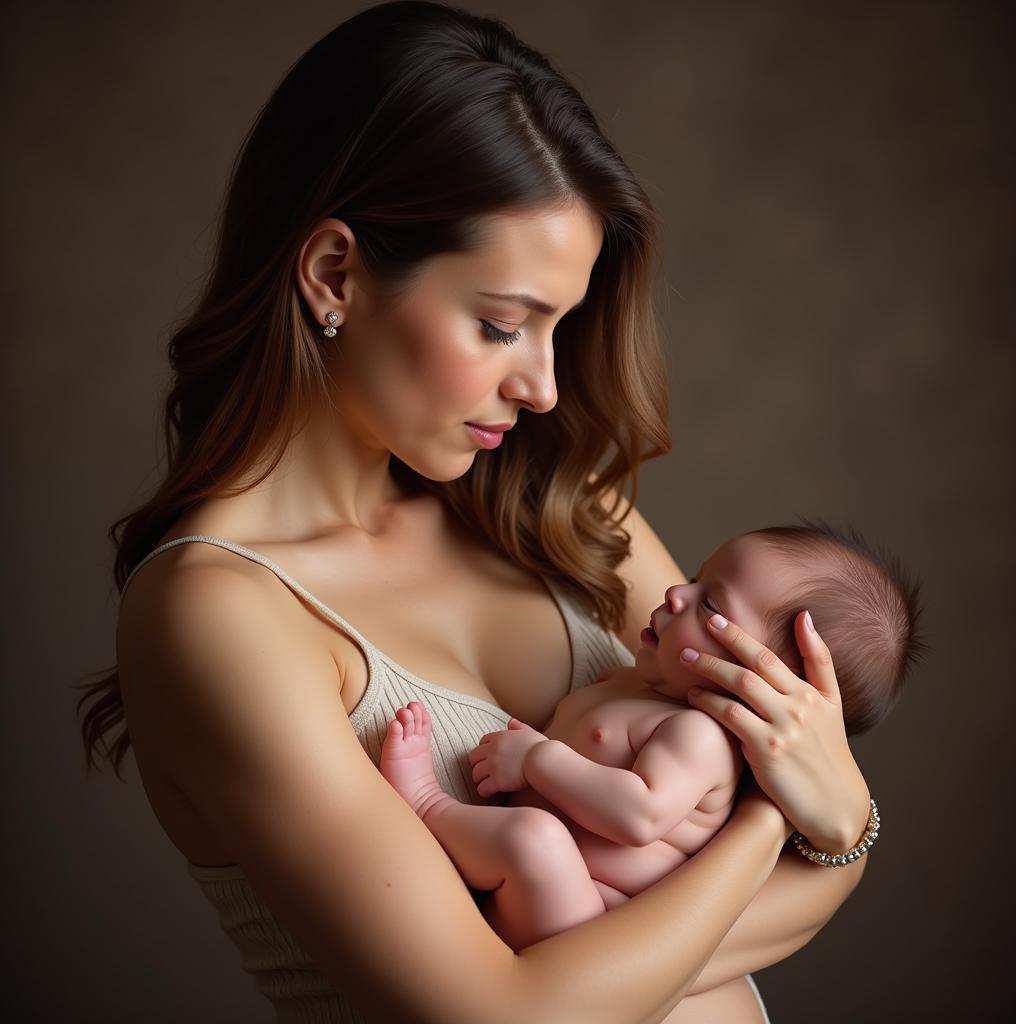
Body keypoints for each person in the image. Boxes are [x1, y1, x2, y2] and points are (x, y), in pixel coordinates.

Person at [79, 3, 881, 1021]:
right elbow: (507, 1015)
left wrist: (835, 827)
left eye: (560, 327)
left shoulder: (559, 502)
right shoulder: (223, 614)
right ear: (334, 275)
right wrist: (784, 823)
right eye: (502, 324)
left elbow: (826, 831)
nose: (543, 387)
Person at [380, 522, 921, 951]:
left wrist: (536, 760)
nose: (677, 592)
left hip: (588, 919)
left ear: (765, 685)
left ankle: (427, 804)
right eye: (696, 576)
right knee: (531, 841)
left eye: (711, 604)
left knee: (536, 842)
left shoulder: (700, 737)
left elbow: (639, 815)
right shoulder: (637, 686)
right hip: (535, 900)